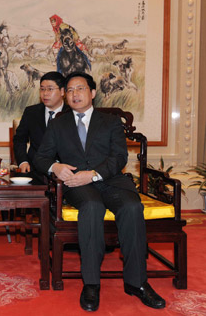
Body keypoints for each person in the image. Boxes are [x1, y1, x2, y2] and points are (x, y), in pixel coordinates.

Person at [33, 72, 166, 312]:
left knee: (132, 207)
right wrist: (56, 166)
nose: (75, 94)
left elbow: (119, 157)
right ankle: (92, 283)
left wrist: (93, 173)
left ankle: (137, 283)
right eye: (70, 90)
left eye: (80, 89)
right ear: (65, 94)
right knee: (92, 207)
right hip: (78, 186)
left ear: (92, 93)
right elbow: (40, 156)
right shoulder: (58, 124)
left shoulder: (111, 122)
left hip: (111, 181)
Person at [13, 71, 69, 181]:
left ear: (62, 91)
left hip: (65, 171)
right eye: (42, 89)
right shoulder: (31, 112)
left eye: (50, 89)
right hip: (34, 170)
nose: (45, 93)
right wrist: (23, 162)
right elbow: (19, 140)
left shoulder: (71, 114)